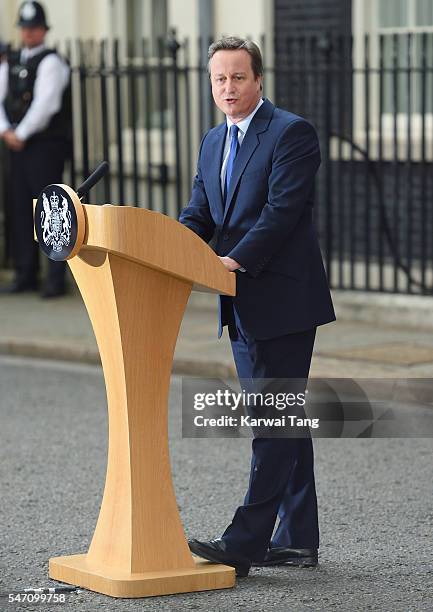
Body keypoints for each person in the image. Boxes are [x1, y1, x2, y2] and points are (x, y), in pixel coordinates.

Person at [179, 36, 336, 577]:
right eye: (219, 79)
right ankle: (297, 539)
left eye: (238, 77)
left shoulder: (291, 133)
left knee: (272, 422)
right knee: (282, 418)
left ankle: (245, 542)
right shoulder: (211, 140)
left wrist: (233, 261)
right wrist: (168, 251)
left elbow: (281, 212)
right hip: (240, 306)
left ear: (258, 80)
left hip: (284, 301)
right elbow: (200, 212)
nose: (228, 88)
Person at [0, 1, 71, 297]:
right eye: (25, 28)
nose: (29, 33)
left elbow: (46, 105)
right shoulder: (12, 61)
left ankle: (54, 278)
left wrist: (21, 132)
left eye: (34, 28)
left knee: (51, 210)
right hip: (16, 145)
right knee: (18, 208)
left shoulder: (53, 62)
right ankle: (25, 272)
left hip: (44, 146)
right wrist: (5, 130)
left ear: (43, 29)